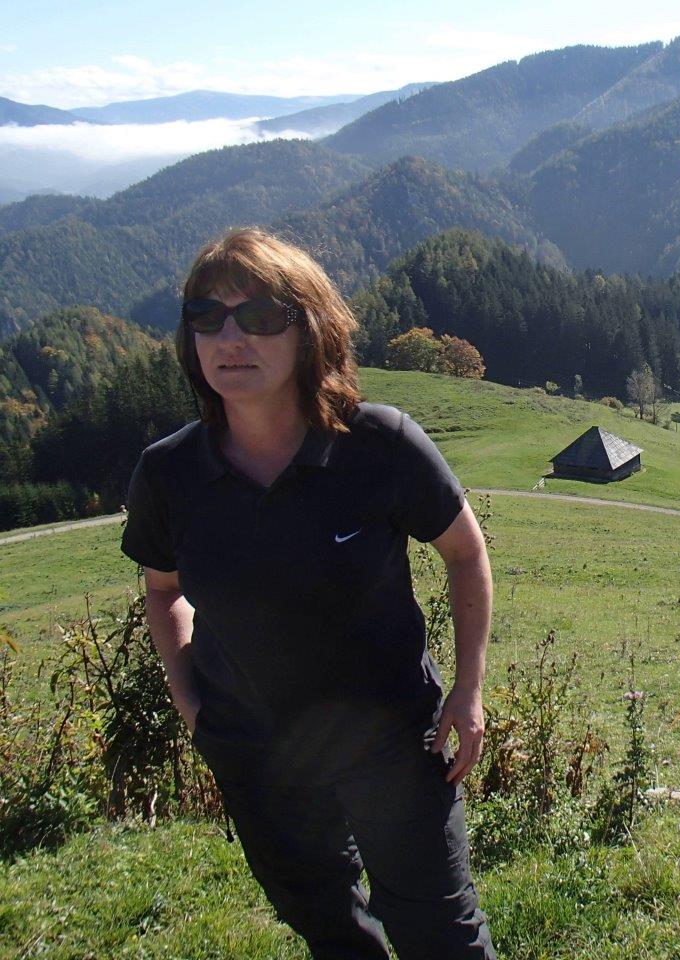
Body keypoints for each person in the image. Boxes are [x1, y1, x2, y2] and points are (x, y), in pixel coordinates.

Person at [119, 227, 498, 959]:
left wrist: (469, 689)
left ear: (310, 329)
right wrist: (194, 705)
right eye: (208, 317)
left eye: (259, 316)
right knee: (330, 929)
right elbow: (163, 589)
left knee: (439, 933)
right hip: (257, 756)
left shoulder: (380, 445)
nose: (231, 337)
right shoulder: (169, 476)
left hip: (392, 741)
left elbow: (465, 551)